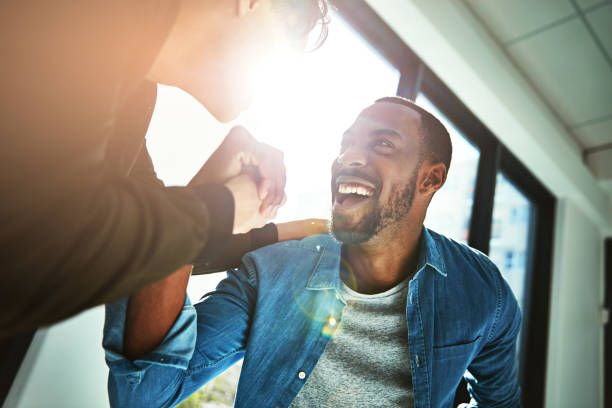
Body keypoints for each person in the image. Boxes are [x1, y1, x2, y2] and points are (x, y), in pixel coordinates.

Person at [104, 96, 522, 408]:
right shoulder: (272, 272)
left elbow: (501, 401)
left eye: (383, 145)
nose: (350, 157)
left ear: (430, 179)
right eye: (348, 144)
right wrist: (203, 201)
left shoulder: (484, 294)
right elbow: (144, 397)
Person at [0, 0, 329, 336]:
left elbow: (137, 242)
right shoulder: (92, 19)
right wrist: (220, 209)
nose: (275, 84)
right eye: (283, 55)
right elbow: (32, 263)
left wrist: (233, 210)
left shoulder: (133, 95)